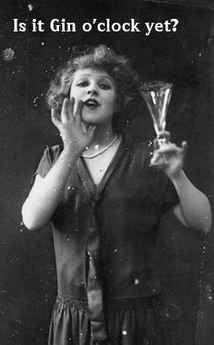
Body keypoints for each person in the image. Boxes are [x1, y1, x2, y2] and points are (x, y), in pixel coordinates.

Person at [21, 45, 212, 345]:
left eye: (104, 85)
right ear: (66, 98)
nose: (92, 89)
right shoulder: (55, 157)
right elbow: (32, 219)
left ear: (118, 100)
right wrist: (72, 149)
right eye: (82, 83)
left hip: (137, 320)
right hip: (75, 321)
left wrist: (177, 174)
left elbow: (203, 222)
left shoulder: (148, 155)